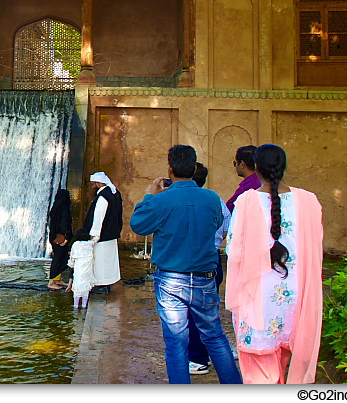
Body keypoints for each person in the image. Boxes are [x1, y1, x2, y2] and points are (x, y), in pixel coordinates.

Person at [130, 145, 242, 384]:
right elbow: (217, 223)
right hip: (205, 276)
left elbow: (138, 225)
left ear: (169, 169)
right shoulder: (212, 198)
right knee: (215, 336)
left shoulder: (161, 201)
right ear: (194, 168)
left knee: (176, 343)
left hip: (171, 279)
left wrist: (150, 195)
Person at [225, 144, 323, 384]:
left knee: (260, 370)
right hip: (295, 295)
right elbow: (316, 245)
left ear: (255, 168)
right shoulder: (308, 201)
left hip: (258, 295)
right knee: (283, 355)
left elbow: (233, 250)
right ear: (284, 167)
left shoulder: (247, 201)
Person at [186, 162, 233, 375]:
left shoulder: (181, 201)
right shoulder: (216, 200)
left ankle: (197, 358)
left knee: (191, 313)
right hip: (213, 259)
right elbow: (226, 230)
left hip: (192, 262)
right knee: (209, 312)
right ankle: (214, 357)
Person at [81, 172, 122, 293]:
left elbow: (99, 215)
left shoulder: (103, 196)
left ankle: (101, 284)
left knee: (100, 262)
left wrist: (94, 235)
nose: (93, 186)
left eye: (94, 184)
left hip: (102, 236)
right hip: (112, 234)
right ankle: (108, 283)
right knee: (109, 262)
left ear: (99, 183)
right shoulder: (114, 193)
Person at [47, 188, 73, 290]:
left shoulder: (55, 207)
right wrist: (66, 237)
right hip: (61, 237)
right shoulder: (64, 208)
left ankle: (58, 279)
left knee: (60, 257)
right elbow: (64, 223)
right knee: (59, 259)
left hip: (53, 236)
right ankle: (51, 282)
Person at [226, 145, 262, 214]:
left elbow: (229, 210)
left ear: (242, 164)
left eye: (235, 163)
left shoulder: (248, 187)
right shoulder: (262, 182)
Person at [66, 227, 96, 309]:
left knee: (77, 287)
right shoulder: (89, 244)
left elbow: (72, 257)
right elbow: (96, 239)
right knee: (86, 288)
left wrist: (71, 265)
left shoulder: (75, 245)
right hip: (88, 270)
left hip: (79, 269)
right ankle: (84, 305)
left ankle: (76, 305)